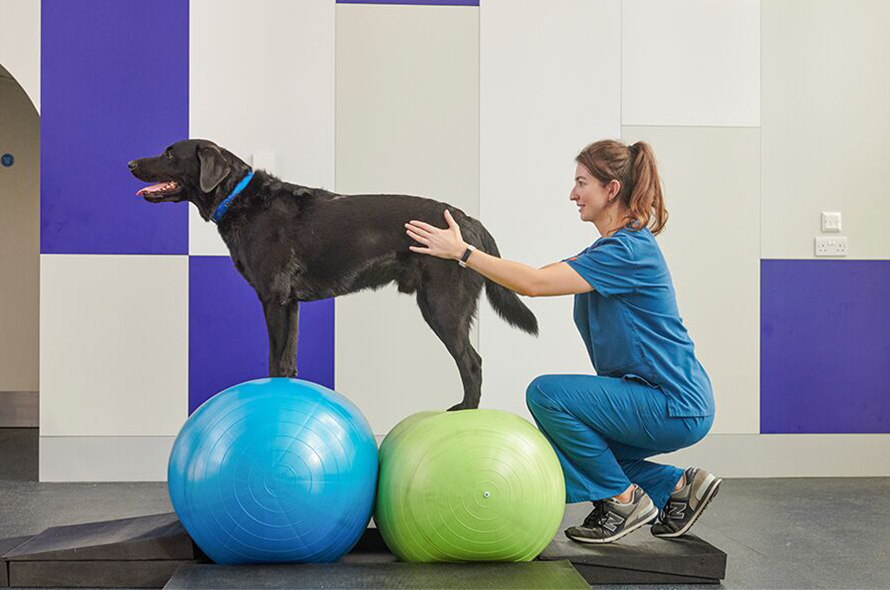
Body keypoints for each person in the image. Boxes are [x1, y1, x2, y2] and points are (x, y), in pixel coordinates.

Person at [404, 139, 720, 544]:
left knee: (547, 395)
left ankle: (623, 501)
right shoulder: (609, 251)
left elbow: (534, 285)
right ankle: (679, 488)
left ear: (611, 190)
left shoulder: (628, 252)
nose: (573, 194)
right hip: (661, 398)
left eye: (581, 183)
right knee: (571, 454)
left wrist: (462, 252)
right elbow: (537, 274)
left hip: (672, 402)